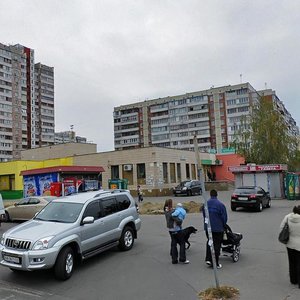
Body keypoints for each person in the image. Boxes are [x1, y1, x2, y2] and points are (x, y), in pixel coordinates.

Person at [202, 189, 227, 269]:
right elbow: (224, 218)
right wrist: (223, 225)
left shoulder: (205, 204)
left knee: (209, 242)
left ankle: (208, 259)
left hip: (208, 228)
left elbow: (204, 215)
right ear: (216, 195)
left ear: (210, 195)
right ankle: (215, 263)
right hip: (218, 228)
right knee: (217, 245)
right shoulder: (220, 205)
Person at [279, 205, 300, 288]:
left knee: (292, 262)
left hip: (290, 244)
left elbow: (281, 229)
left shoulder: (287, 217)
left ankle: (293, 280)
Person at [164, 200, 189, 264]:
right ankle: (182, 259)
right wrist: (180, 221)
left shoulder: (166, 211)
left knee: (173, 244)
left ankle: (174, 260)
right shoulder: (173, 212)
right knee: (182, 243)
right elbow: (178, 221)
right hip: (177, 229)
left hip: (170, 230)